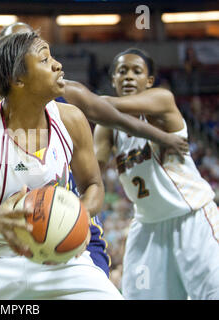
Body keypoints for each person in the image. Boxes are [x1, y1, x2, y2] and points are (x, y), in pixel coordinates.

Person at [0, 22, 189, 277]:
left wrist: (162, 137)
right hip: (7, 228)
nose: (29, 49)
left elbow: (115, 117)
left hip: (70, 206)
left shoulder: (68, 94)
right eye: (19, 45)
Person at [0, 31, 123, 299]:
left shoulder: (72, 120)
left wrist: (78, 215)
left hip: (58, 259)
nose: (57, 65)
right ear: (17, 79)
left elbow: (93, 185)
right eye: (45, 60)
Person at [93, 48, 219, 300]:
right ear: (114, 80)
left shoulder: (162, 100)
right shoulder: (106, 128)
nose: (128, 76)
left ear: (149, 81)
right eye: (122, 71)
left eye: (136, 71)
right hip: (147, 225)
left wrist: (70, 94)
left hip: (191, 217)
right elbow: (93, 173)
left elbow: (100, 105)